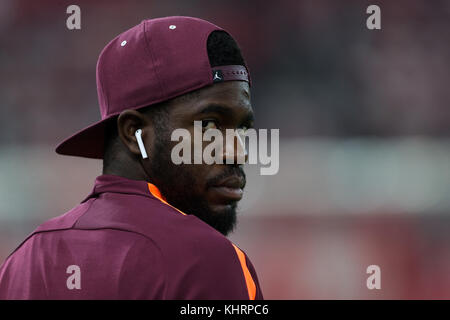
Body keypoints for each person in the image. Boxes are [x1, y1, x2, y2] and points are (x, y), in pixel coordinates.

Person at [0, 16, 263, 299]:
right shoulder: (207, 261)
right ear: (134, 132)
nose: (238, 151)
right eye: (209, 125)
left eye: (242, 128)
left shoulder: (23, 262)